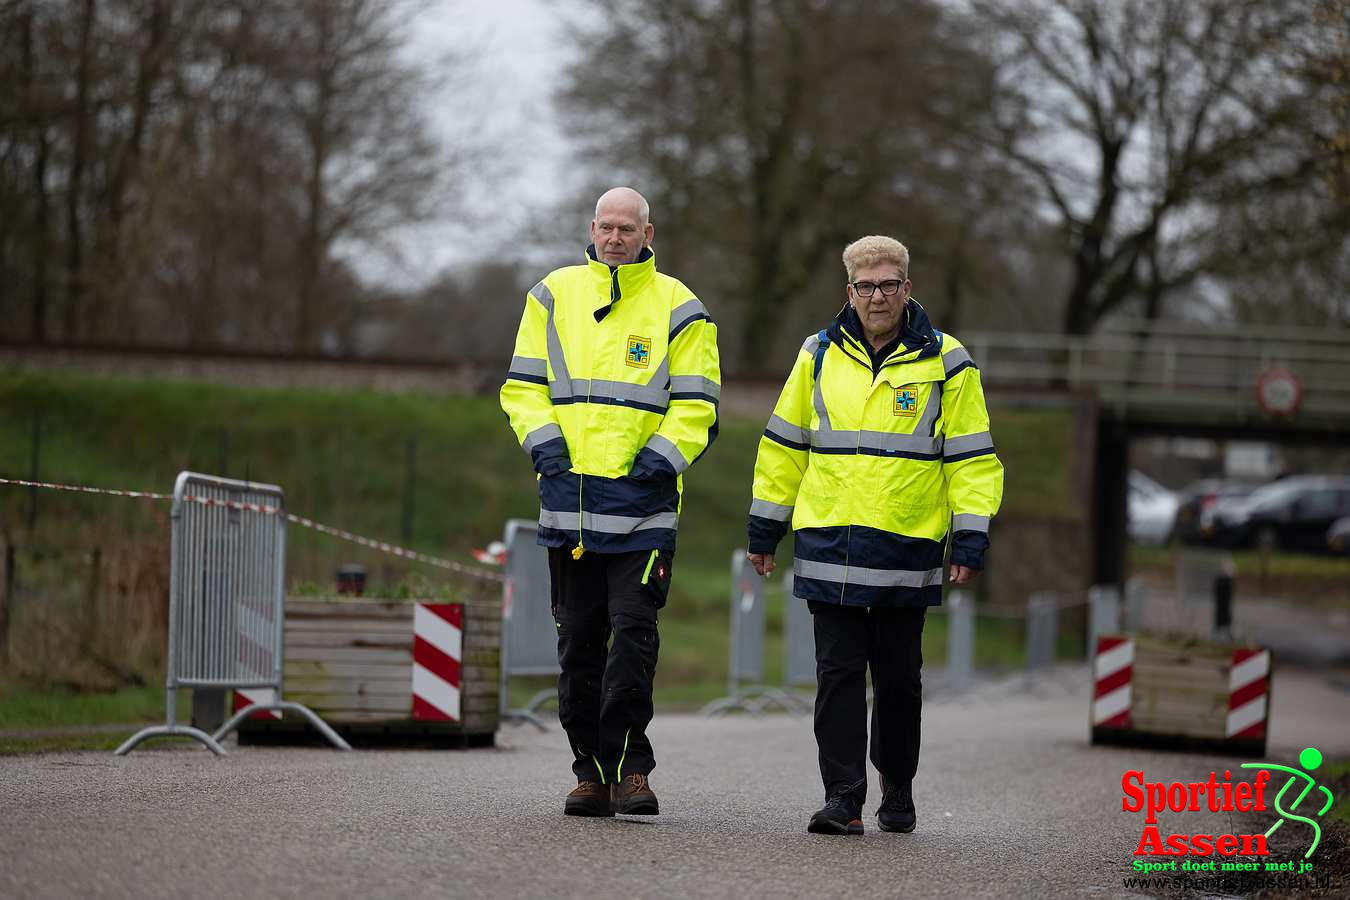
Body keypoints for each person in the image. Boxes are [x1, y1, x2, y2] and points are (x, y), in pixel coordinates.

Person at [745, 235, 1003, 836]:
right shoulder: (816, 354)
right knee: (836, 678)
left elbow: (971, 459)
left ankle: (898, 788)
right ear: (850, 292)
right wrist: (765, 529)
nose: (879, 295)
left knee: (897, 682)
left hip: (905, 547)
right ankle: (843, 797)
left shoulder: (948, 361)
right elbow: (784, 446)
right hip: (829, 544)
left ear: (907, 288)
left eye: (890, 284)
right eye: (868, 286)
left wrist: (968, 539)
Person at [500, 187, 721, 818]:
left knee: (633, 637)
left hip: (644, 512)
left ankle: (631, 770)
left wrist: (658, 463)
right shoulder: (551, 294)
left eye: (628, 227)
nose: (616, 236)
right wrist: (546, 450)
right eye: (606, 226)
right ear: (591, 229)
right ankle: (589, 771)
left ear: (649, 233)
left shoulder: (681, 306)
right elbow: (522, 389)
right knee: (578, 643)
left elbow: (698, 404)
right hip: (568, 510)